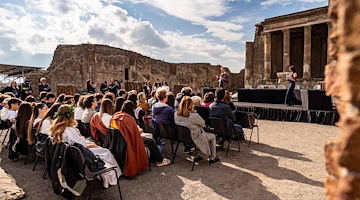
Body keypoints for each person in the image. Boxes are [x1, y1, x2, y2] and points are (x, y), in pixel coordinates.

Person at [50, 105, 121, 188]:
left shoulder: (57, 128)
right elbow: (81, 145)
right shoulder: (69, 130)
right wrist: (91, 145)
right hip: (81, 156)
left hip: (72, 155)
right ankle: (112, 177)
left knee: (100, 149)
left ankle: (106, 176)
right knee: (106, 152)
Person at [113, 101, 170, 171]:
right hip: (131, 140)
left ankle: (153, 158)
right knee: (151, 140)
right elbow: (135, 133)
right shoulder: (128, 119)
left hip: (121, 141)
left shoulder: (116, 116)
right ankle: (160, 160)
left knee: (149, 138)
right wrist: (140, 130)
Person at [174, 97, 219, 163]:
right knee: (213, 136)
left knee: (195, 132)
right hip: (195, 137)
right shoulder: (194, 116)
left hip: (183, 137)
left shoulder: (176, 114)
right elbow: (203, 124)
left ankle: (197, 155)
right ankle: (213, 157)